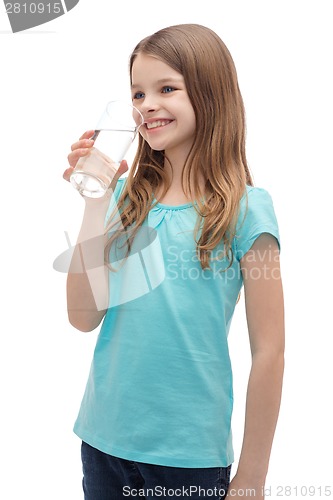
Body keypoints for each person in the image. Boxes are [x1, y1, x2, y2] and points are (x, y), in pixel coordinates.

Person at [63, 24, 285, 500]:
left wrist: (251, 480)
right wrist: (94, 200)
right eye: (138, 93)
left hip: (189, 458)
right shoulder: (124, 198)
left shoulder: (248, 211)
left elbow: (269, 351)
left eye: (167, 88)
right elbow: (83, 317)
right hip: (103, 441)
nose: (146, 104)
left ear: (211, 94)